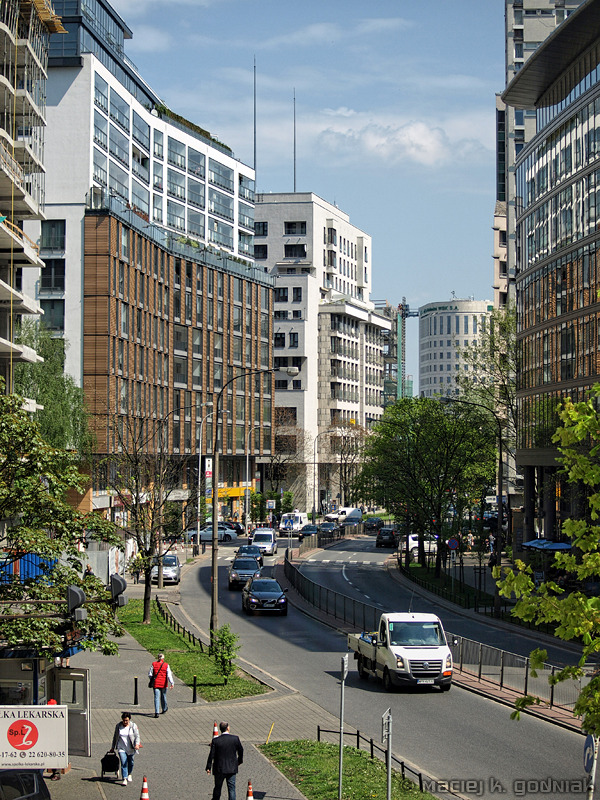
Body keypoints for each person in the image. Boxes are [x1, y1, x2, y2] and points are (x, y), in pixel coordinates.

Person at [206, 721, 244, 800]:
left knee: (217, 787)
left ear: (220, 729)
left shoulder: (216, 741)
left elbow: (211, 755)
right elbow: (241, 750)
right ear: (228, 728)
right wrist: (239, 760)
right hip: (231, 768)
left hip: (219, 769)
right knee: (231, 789)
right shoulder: (235, 739)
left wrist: (208, 767)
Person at [111, 711, 141, 786]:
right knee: (123, 762)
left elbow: (137, 736)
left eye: (126, 720)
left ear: (129, 720)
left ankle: (129, 773)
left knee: (131, 762)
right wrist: (113, 747)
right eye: (124, 720)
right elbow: (115, 737)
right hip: (121, 747)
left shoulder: (133, 726)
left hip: (131, 748)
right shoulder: (118, 726)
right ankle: (124, 778)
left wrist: (137, 744)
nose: (125, 722)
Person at [148, 653, 173, 718]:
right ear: (163, 659)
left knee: (156, 697)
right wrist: (172, 683)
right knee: (163, 696)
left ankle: (157, 712)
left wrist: (152, 679)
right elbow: (169, 675)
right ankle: (164, 708)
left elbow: (150, 674)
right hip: (164, 684)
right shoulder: (166, 665)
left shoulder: (153, 664)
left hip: (156, 684)